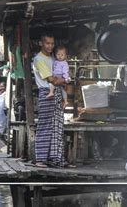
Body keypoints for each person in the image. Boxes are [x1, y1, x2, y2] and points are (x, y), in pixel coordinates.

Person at [32, 32, 75, 168]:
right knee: (45, 126)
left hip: (56, 94)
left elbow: (59, 78)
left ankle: (56, 159)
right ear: (41, 43)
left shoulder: (53, 58)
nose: (50, 46)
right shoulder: (39, 59)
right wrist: (66, 80)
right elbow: (52, 80)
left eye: (52, 43)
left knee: (57, 127)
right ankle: (40, 159)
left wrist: (62, 80)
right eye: (47, 43)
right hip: (46, 93)